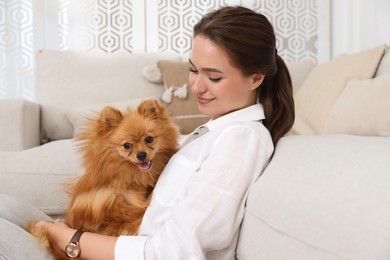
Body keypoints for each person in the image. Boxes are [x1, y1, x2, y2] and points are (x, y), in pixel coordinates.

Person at [0, 5, 294, 260]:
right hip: (113, 241)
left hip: (124, 252)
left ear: (256, 78)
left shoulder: (240, 140)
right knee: (5, 206)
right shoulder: (213, 132)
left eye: (213, 77)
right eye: (193, 70)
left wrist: (73, 240)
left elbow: (172, 251)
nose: (197, 87)